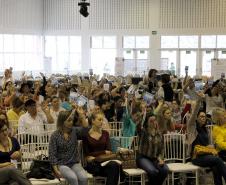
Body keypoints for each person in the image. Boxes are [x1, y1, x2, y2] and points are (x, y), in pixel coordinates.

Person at [187, 98, 226, 185]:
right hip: (196, 157)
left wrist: (212, 146)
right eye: (201, 116)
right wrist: (198, 101)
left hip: (206, 155)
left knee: (216, 167)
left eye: (204, 116)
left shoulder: (205, 130)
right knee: (218, 160)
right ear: (196, 118)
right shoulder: (192, 128)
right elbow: (193, 115)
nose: (203, 118)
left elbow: (208, 145)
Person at [83, 111, 123, 185]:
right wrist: (103, 152)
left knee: (114, 166)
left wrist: (100, 154)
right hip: (93, 164)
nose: (102, 122)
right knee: (114, 168)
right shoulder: (86, 135)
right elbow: (87, 155)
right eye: (99, 119)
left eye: (102, 120)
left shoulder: (105, 134)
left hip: (105, 162)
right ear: (93, 121)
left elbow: (109, 151)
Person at [49, 110, 88, 185]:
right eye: (69, 120)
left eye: (72, 120)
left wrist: (82, 117)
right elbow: (52, 154)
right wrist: (56, 170)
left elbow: (86, 131)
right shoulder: (55, 135)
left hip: (74, 163)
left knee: (83, 178)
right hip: (61, 164)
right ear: (62, 121)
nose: (71, 122)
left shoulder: (74, 131)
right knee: (73, 178)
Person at [136, 114, 168, 185]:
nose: (154, 122)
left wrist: (160, 159)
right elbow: (138, 126)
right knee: (153, 171)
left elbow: (161, 149)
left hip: (155, 158)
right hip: (143, 157)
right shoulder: (143, 132)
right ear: (147, 123)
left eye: (155, 120)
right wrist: (142, 115)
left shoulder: (159, 133)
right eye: (151, 121)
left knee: (164, 170)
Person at [0, 119, 32, 185]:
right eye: (1, 131)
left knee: (15, 183)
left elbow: (20, 158)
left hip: (14, 172)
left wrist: (19, 154)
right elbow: (10, 167)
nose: (5, 133)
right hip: (3, 173)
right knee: (11, 170)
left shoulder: (13, 140)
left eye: (6, 129)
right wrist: (6, 165)